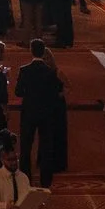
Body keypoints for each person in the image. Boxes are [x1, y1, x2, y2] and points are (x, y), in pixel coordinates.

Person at [15, 40, 69, 188]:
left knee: (26, 147)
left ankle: (26, 180)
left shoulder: (24, 70)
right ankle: (46, 182)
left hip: (29, 113)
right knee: (46, 148)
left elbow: (18, 92)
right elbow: (56, 92)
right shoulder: (51, 72)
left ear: (31, 51)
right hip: (46, 114)